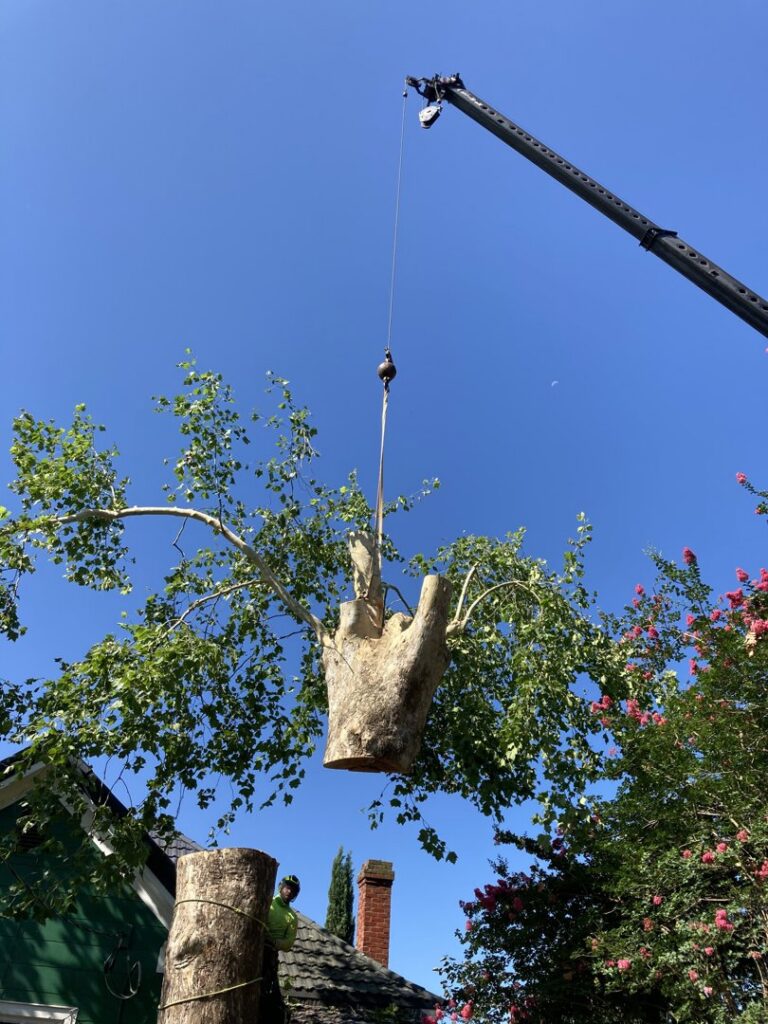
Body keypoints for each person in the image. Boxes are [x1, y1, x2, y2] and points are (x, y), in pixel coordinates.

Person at [261, 874, 300, 1024]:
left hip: (270, 954)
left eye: (293, 890)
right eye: (287, 888)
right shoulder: (268, 902)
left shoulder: (292, 917)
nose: (289, 892)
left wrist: (274, 942)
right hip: (256, 946)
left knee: (269, 993)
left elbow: (289, 943)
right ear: (281, 887)